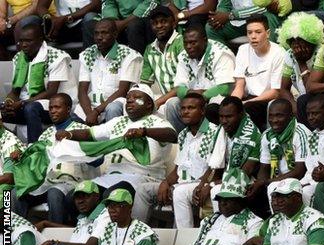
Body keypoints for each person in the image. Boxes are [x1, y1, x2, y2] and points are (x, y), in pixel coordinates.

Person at [56, 84, 177, 220]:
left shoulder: (157, 121)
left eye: (137, 98)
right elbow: (90, 133)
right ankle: (82, 231)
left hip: (141, 177)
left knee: (111, 195)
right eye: (128, 97)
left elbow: (172, 135)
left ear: (149, 104)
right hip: (110, 176)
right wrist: (69, 134)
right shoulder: (118, 122)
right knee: (73, 197)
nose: (130, 100)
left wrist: (144, 132)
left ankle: (100, 233)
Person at [13, 93, 92, 224]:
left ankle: (56, 238)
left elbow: (96, 158)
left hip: (70, 182)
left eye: (57, 107)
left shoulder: (82, 130)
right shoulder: (46, 134)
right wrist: (21, 156)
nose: (53, 111)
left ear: (68, 109)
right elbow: (34, 159)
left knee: (54, 193)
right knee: (15, 193)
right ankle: (10, 235)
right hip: (45, 182)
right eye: (50, 108)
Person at [147, 93, 222, 228]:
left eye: (191, 108)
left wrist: (202, 185)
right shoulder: (182, 135)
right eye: (183, 108)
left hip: (201, 184)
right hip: (183, 184)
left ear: (202, 111)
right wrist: (165, 182)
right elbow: (178, 169)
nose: (185, 112)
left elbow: (215, 168)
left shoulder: (214, 132)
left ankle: (183, 236)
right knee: (143, 190)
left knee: (179, 192)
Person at [1, 23, 73, 143]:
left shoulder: (57, 57)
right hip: (26, 103)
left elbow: (51, 92)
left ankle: (34, 150)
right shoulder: (19, 57)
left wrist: (22, 103)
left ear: (40, 40)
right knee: (4, 107)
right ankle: (8, 145)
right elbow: (15, 91)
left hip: (54, 105)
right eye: (21, 41)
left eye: (28, 41)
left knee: (31, 108)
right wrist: (8, 103)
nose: (23, 45)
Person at [198, 96, 261, 214]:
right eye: (221, 117)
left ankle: (220, 226)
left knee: (216, 190)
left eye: (229, 117)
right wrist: (203, 184)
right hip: (223, 179)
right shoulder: (221, 131)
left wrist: (211, 185)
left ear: (241, 114)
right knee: (181, 193)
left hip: (246, 181)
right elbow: (216, 165)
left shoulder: (253, 135)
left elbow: (243, 173)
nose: (224, 121)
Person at [248, 99, 310, 214]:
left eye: (279, 116)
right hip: (275, 179)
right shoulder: (268, 135)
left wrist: (268, 182)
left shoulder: (300, 133)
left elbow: (300, 171)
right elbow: (264, 168)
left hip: (298, 180)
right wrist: (260, 183)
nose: (274, 120)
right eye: (271, 116)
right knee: (249, 192)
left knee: (273, 187)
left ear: (291, 116)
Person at [168, 25, 235, 131]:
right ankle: (183, 139)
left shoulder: (220, 54)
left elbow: (225, 88)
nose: (189, 47)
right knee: (172, 104)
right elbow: (179, 88)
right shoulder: (183, 56)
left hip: (215, 98)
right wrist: (192, 94)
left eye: (193, 43)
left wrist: (202, 95)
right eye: (186, 43)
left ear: (204, 40)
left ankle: (213, 139)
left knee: (214, 104)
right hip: (193, 98)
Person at [78, 19, 143, 125]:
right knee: (73, 115)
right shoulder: (87, 54)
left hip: (118, 103)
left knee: (113, 108)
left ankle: (113, 140)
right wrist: (89, 113)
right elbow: (82, 92)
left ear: (115, 34)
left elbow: (123, 91)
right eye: (96, 33)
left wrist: (96, 111)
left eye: (104, 33)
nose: (99, 37)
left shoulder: (129, 55)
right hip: (91, 107)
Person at [185, 174, 263, 245]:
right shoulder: (208, 221)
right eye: (220, 199)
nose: (222, 203)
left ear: (241, 200)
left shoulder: (254, 222)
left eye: (228, 199)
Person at [231, 14, 286, 130]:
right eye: (249, 33)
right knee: (222, 109)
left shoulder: (279, 53)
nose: (253, 37)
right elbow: (239, 85)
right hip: (249, 98)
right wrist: (233, 103)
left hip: (268, 100)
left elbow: (275, 92)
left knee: (248, 109)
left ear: (268, 33)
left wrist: (246, 103)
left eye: (258, 32)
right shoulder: (243, 50)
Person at [32, 180, 109, 245]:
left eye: (85, 196)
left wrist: (52, 243)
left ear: (97, 197)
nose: (80, 201)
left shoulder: (105, 215)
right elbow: (73, 230)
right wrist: (46, 223)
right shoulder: (84, 217)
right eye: (77, 197)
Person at [260, 178, 324, 245]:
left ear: (297, 198)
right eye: (274, 198)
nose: (275, 203)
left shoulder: (315, 220)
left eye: (281, 198)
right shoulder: (275, 221)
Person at [276, 12, 324, 124]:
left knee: (304, 101)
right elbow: (283, 89)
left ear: (310, 40)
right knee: (275, 105)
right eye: (292, 41)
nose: (296, 46)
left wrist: (302, 63)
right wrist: (294, 106)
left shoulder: (321, 52)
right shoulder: (290, 54)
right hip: (301, 100)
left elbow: (311, 90)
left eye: (300, 40)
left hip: (320, 98)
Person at [140, 6, 184, 113]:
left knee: (172, 103)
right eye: (155, 23)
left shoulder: (182, 42)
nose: (159, 26)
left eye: (164, 22)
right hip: (165, 100)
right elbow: (145, 82)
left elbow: (183, 84)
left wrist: (158, 102)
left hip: (185, 96)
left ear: (173, 23)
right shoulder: (150, 49)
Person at [92, 189, 158, 245]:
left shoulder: (142, 233)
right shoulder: (106, 230)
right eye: (110, 206)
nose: (112, 210)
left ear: (130, 207)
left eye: (117, 206)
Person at [87, 0, 158, 53]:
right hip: (118, 19)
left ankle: (138, 64)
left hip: (142, 17)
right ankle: (97, 63)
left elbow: (151, 2)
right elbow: (109, 2)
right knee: (92, 25)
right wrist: (111, 21)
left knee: (134, 26)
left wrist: (124, 23)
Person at [204, 0, 281, 44]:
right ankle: (222, 64)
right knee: (211, 28)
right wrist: (218, 17)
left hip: (261, 17)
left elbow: (265, 6)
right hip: (238, 22)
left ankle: (269, 63)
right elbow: (224, 5)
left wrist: (232, 15)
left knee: (269, 18)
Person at [35, 0, 99, 47]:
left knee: (90, 17)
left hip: (83, 25)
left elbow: (96, 4)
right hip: (61, 27)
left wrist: (66, 18)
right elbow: (41, 7)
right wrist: (51, 19)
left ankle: (90, 57)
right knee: (32, 20)